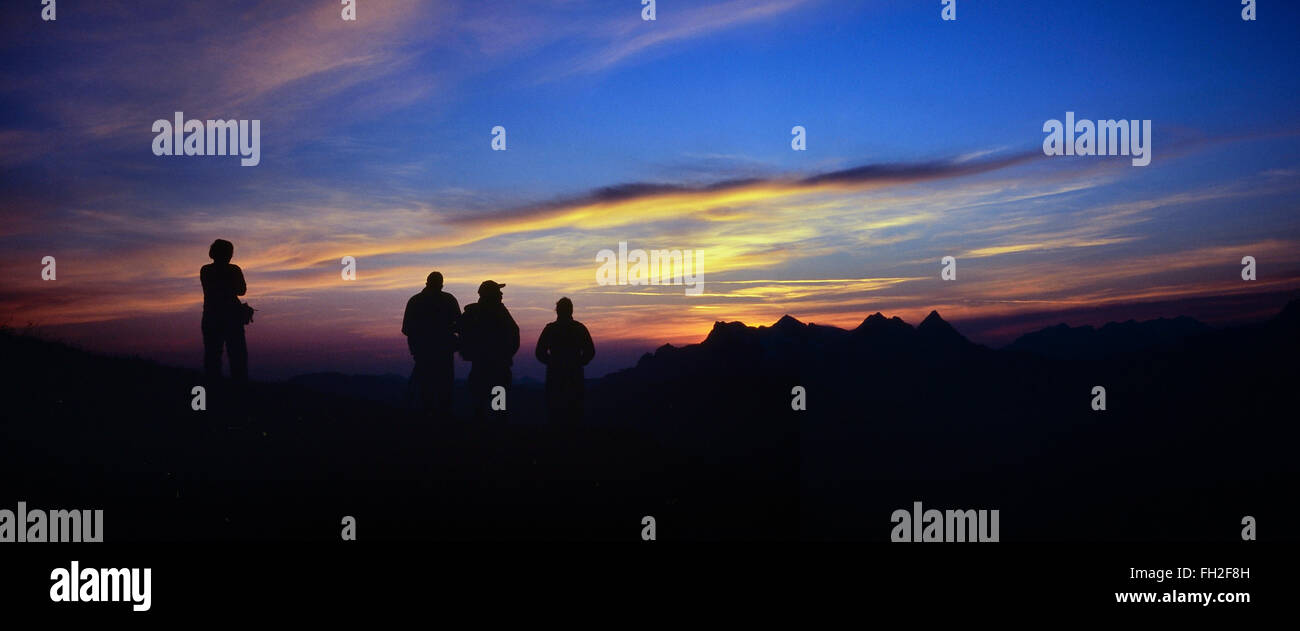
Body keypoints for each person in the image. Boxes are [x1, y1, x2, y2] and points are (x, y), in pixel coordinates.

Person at [456, 280, 519, 421]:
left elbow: (459, 330)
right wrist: (506, 355)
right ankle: (497, 434)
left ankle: (482, 433)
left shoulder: (472, 312)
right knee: (498, 408)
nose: (501, 294)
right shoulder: (499, 312)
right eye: (498, 291)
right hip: (498, 369)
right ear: (491, 294)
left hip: (480, 367)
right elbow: (515, 334)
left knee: (480, 406)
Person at [401, 271, 460, 418]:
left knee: (426, 391)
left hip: (424, 353)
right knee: (442, 390)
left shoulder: (415, 301)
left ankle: (428, 421)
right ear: (441, 284)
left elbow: (406, 329)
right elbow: (460, 325)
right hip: (441, 354)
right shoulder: (448, 300)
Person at [534, 297, 595, 426]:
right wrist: (578, 362)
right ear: (571, 311)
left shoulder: (550, 329)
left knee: (555, 414)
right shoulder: (579, 328)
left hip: (555, 377)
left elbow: (540, 353)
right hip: (574, 376)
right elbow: (590, 351)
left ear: (557, 311)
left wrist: (552, 362)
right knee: (575, 413)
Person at [200, 239, 248, 383]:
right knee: (237, 354)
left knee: (213, 354)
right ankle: (239, 388)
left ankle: (213, 386)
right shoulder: (234, 270)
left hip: (211, 316)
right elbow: (242, 290)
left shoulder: (206, 270)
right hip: (231, 316)